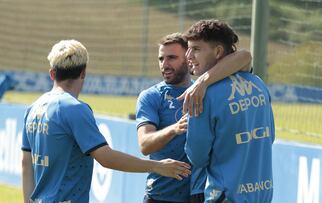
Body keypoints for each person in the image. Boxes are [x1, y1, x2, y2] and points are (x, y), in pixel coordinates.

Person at [21, 39, 192, 203]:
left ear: (52, 73)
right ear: (83, 73)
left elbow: (26, 164)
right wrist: (157, 166)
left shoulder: (33, 108)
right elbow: (106, 157)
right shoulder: (74, 108)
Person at [136, 33, 252, 203]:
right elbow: (145, 145)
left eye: (172, 58)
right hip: (161, 196)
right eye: (161, 59)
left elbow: (245, 57)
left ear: (188, 58)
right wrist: (175, 129)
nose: (164, 65)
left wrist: (203, 81)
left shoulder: (204, 91)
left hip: (199, 195)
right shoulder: (151, 96)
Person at [184, 19, 275, 203]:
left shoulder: (201, 95)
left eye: (196, 49)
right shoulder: (258, 83)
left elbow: (197, 156)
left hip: (226, 196)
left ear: (218, 51)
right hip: (263, 194)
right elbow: (270, 136)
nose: (188, 55)